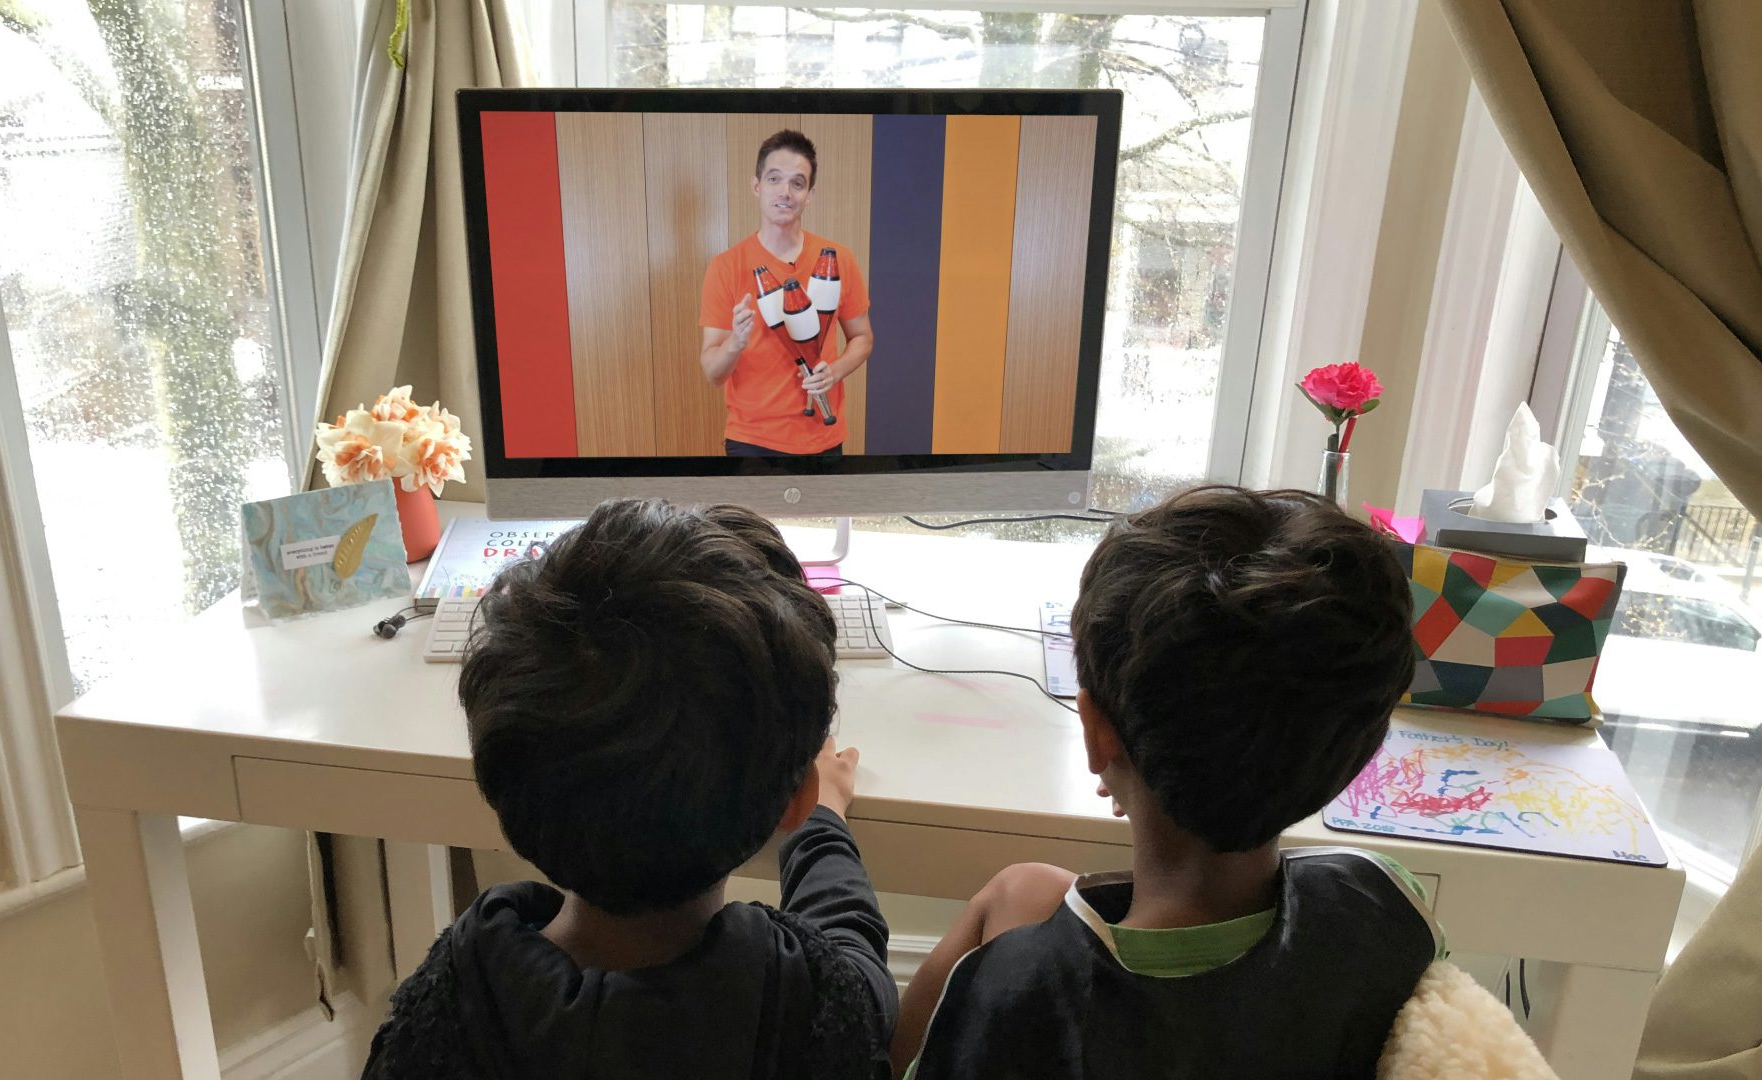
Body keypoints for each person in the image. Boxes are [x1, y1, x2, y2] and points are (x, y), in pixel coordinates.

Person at [892, 486, 1447, 1079]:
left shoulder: (1011, 993)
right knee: (1027, 888)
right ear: (1359, 748)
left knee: (1021, 889)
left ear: (1097, 733)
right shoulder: (1387, 904)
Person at [361, 498, 896, 1080]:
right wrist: (825, 820)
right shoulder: (814, 1003)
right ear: (797, 799)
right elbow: (855, 959)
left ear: (505, 786)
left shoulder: (451, 997)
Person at [700, 129, 874, 458]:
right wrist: (735, 342)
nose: (785, 192)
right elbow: (713, 372)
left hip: (823, 437)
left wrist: (835, 371)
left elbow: (863, 337)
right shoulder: (726, 267)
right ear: (757, 186)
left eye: (797, 183)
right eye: (774, 179)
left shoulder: (837, 259)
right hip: (751, 442)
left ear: (809, 195)